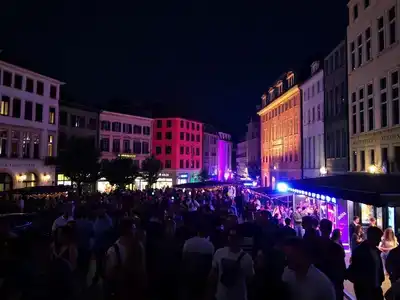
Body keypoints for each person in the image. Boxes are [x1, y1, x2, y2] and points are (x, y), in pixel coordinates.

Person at [207, 225, 254, 300]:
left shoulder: (220, 253)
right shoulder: (247, 258)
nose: (233, 240)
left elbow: (212, 276)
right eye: (232, 238)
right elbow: (249, 279)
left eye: (235, 238)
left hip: (225, 295)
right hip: (235, 295)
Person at [347, 226, 384, 300]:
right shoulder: (360, 251)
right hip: (365, 291)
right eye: (379, 237)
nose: (380, 240)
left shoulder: (376, 251)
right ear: (373, 237)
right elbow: (355, 270)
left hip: (376, 288)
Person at [316, 219, 346, 300]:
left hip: (317, 282)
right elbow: (341, 267)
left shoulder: (314, 245)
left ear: (320, 228)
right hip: (334, 283)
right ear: (331, 229)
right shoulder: (336, 247)